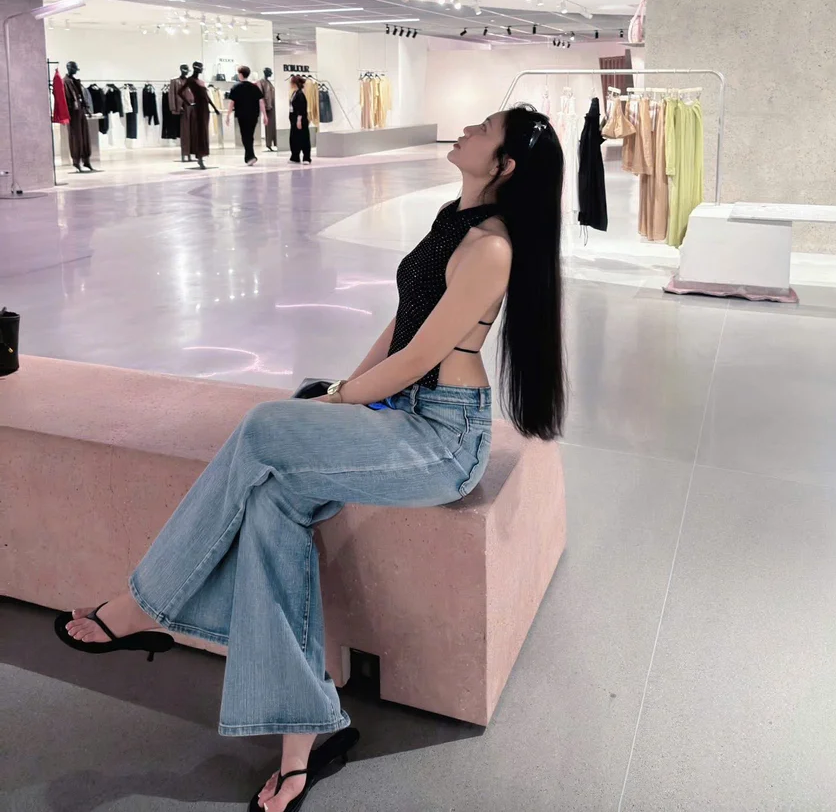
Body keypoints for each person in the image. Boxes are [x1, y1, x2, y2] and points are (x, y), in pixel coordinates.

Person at [55, 106, 565, 812]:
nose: (467, 130)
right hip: (402, 413)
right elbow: (403, 324)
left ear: (503, 166)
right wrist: (344, 391)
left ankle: (148, 602)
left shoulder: (492, 248)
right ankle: (308, 738)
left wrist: (339, 400)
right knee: (271, 503)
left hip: (443, 438)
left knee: (265, 424)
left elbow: (420, 357)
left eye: (484, 130)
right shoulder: (454, 217)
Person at [226, 66, 267, 166]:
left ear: (240, 74)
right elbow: (261, 101)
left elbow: (231, 103)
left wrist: (228, 115)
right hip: (254, 115)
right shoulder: (254, 87)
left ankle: (250, 157)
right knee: (250, 135)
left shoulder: (236, 87)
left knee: (245, 136)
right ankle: (249, 156)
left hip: (242, 115)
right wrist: (265, 115)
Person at [289, 74, 311, 164]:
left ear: (295, 83)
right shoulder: (294, 93)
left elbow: (301, 108)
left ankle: (306, 158)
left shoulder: (300, 95)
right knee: (294, 138)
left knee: (303, 138)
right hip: (294, 119)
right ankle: (295, 156)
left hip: (300, 120)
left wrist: (299, 120)